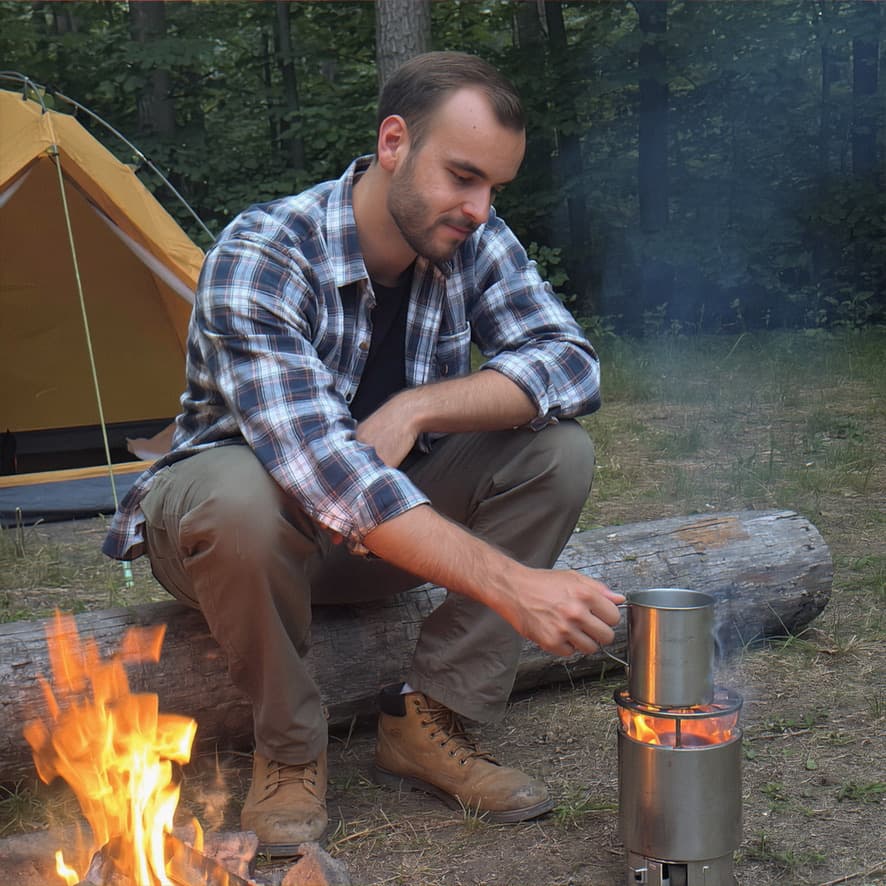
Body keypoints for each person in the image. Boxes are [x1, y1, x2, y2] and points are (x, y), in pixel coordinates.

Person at [103, 50, 623, 853]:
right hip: (236, 538)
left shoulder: (472, 239)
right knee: (239, 495)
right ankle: (289, 750)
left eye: (494, 188)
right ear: (392, 143)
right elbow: (325, 470)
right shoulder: (266, 250)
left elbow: (570, 363)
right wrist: (514, 585)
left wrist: (418, 407)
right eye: (461, 176)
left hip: (381, 532)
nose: (480, 208)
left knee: (558, 451)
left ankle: (432, 719)